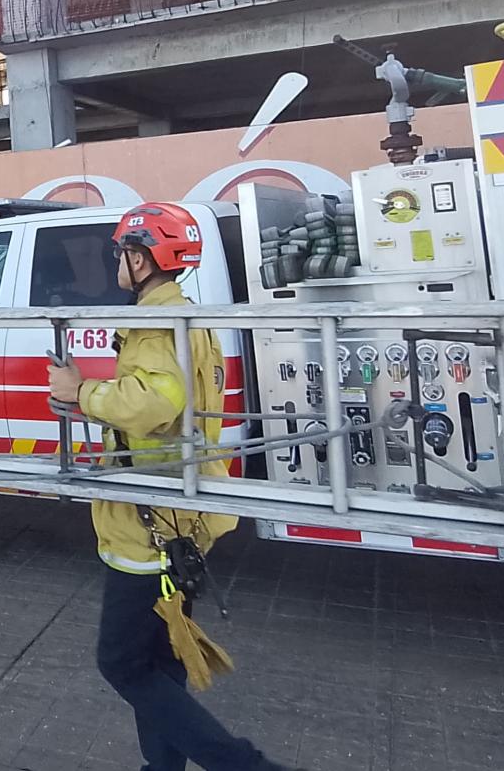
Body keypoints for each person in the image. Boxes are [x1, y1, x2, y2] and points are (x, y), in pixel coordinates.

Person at [47, 202, 300, 771]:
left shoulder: (156, 323)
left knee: (123, 664)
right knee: (160, 660)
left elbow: (157, 401)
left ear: (142, 258)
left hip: (149, 527)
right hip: (175, 516)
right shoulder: (181, 314)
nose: (117, 260)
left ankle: (244, 766)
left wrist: (79, 392)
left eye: (123, 252)